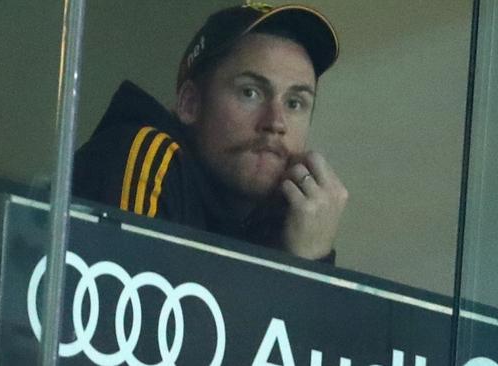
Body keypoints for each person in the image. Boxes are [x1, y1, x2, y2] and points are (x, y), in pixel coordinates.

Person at [73, 2, 348, 263]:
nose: (276, 122)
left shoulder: (280, 217)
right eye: (250, 92)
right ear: (190, 104)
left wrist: (311, 255)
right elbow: (132, 305)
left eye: (294, 103)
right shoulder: (148, 155)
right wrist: (300, 270)